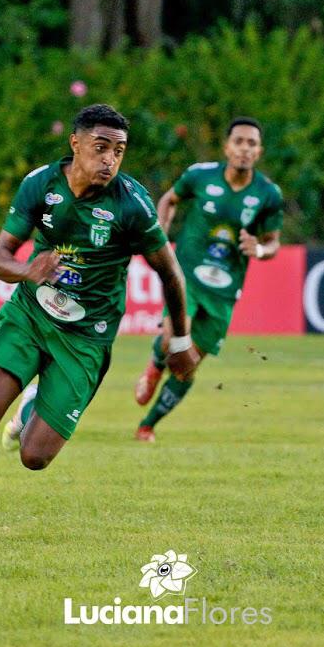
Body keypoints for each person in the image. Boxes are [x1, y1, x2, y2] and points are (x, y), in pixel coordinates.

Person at [0, 104, 199, 546]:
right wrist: (29, 271)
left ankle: (33, 405)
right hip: (30, 314)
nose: (109, 160)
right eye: (100, 147)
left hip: (86, 337)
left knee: (35, 457)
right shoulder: (41, 185)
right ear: (75, 144)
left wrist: (180, 340)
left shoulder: (131, 204)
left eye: (118, 151)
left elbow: (170, 273)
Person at [131, 116, 284, 441]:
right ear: (227, 147)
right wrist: (159, 234)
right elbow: (169, 199)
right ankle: (156, 365)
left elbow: (273, 243)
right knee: (173, 338)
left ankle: (148, 425)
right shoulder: (200, 176)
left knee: (187, 366)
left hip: (225, 291)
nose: (244, 148)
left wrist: (259, 249)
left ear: (259, 152)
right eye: (239, 141)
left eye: (252, 144)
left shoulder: (268, 194)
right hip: (186, 275)